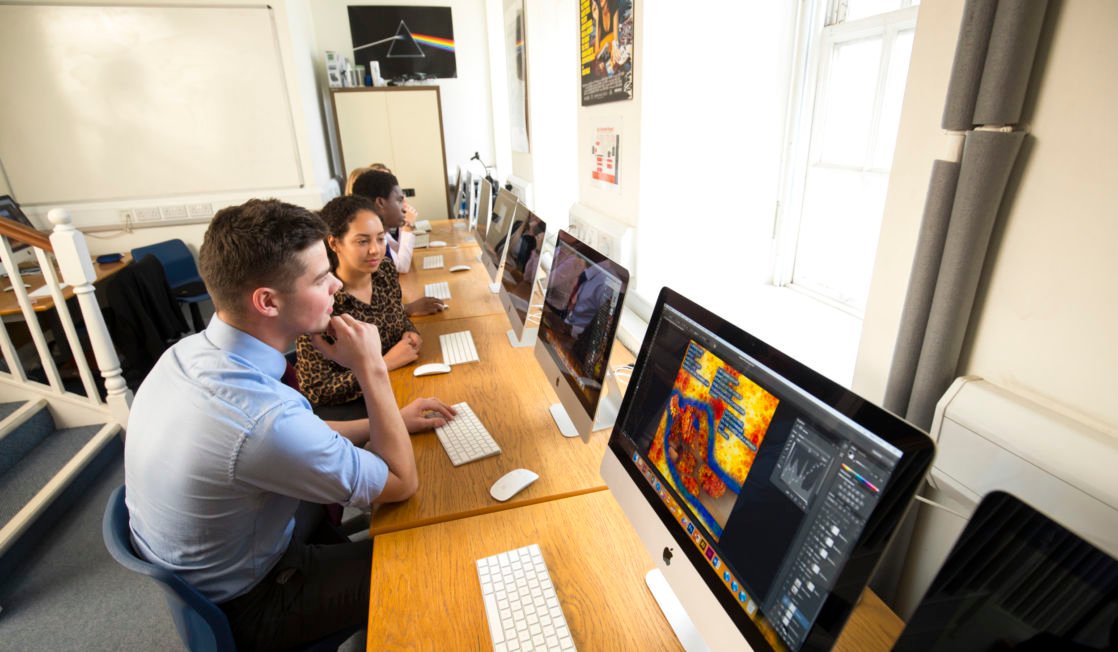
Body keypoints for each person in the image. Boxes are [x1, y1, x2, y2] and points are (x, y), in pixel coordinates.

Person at [124, 198, 455, 651]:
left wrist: (389, 419)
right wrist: (371, 369)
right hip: (257, 600)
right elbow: (400, 482)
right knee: (443, 552)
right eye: (320, 279)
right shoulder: (262, 420)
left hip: (212, 570)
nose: (337, 284)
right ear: (267, 302)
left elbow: (294, 437)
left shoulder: (185, 356)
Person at [296, 195, 423, 405]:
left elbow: (397, 318)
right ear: (334, 243)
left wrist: (410, 332)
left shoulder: (384, 271)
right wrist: (383, 365)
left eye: (380, 239)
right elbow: (316, 389)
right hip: (359, 407)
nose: (375, 249)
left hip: (400, 383)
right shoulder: (322, 299)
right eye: (363, 241)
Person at [351, 169, 443, 316]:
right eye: (399, 200)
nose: (404, 207)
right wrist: (407, 309)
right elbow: (367, 313)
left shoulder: (380, 238)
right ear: (380, 202)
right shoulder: (366, 251)